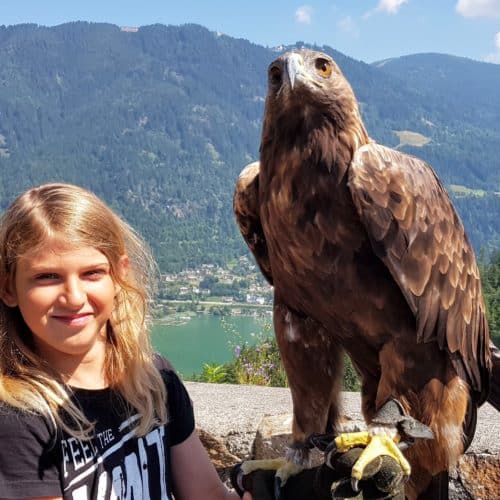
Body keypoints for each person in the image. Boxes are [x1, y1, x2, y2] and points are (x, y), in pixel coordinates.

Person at [0, 183, 251, 500]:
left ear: (119, 275)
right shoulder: (17, 417)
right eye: (47, 276)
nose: (74, 297)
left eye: (92, 273)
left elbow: (208, 494)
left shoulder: (154, 381)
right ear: (8, 288)